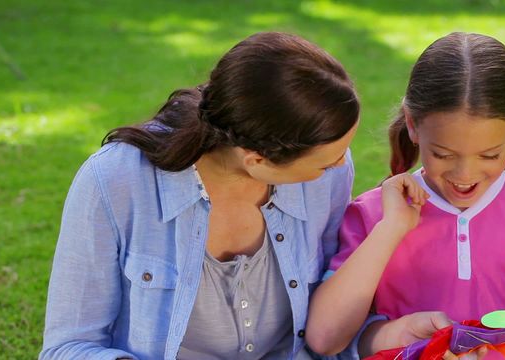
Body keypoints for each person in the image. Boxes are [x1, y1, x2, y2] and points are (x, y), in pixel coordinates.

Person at [40, 31, 367, 360]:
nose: (340, 163)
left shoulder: (330, 176)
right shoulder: (114, 181)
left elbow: (330, 313)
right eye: (325, 163)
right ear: (257, 160)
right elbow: (67, 348)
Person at [305, 32, 505, 359]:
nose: (465, 175)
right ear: (412, 125)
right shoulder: (374, 215)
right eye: (444, 155)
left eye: (489, 155)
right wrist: (391, 229)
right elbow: (325, 339)